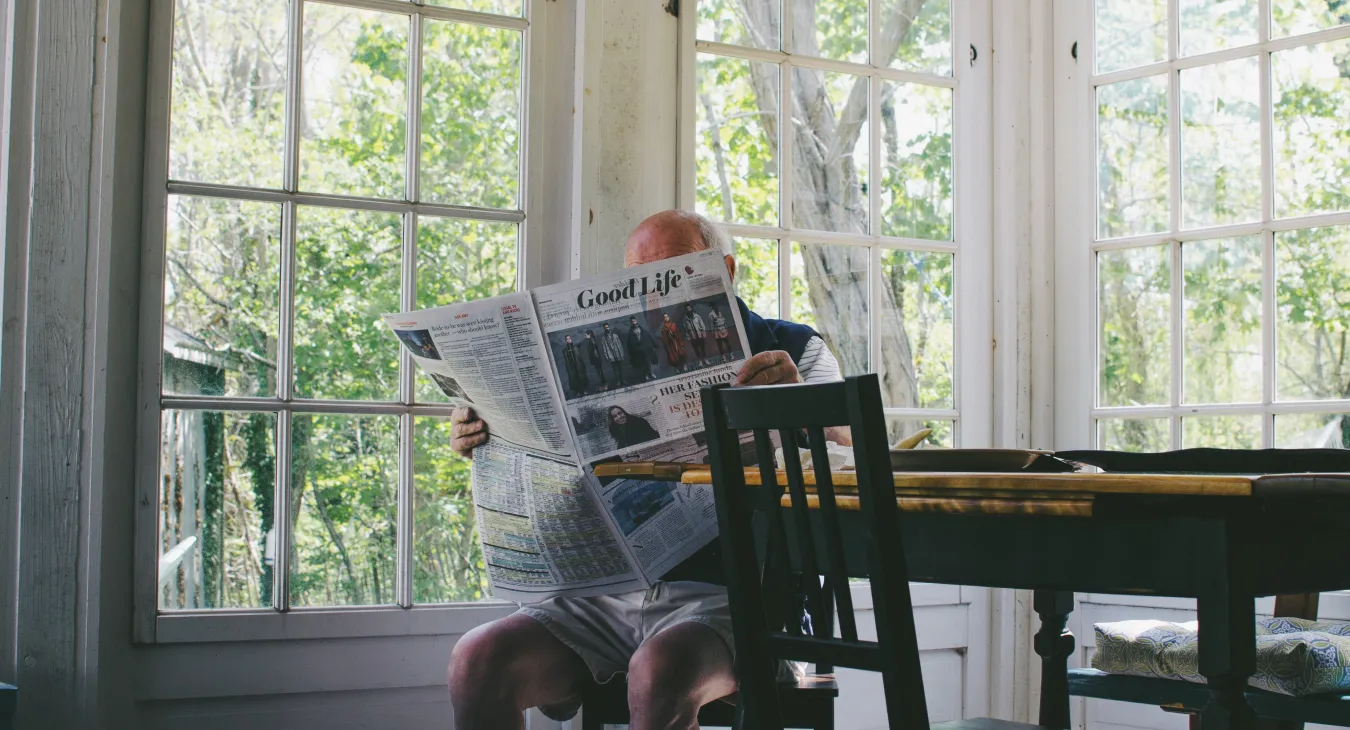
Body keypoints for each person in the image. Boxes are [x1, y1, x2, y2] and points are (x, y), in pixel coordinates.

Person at [446, 210, 848, 730]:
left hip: (733, 597)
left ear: (725, 270)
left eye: (672, 274)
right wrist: (484, 433)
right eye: (640, 280)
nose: (655, 294)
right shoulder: (607, 353)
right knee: (476, 660)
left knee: (660, 671)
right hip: (599, 596)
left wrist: (798, 403)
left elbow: (852, 452)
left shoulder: (793, 348)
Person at [627, 316, 658, 381]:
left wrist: (653, 345)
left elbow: (648, 337)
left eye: (634, 321)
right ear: (631, 323)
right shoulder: (630, 332)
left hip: (645, 349)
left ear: (636, 321)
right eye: (632, 322)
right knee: (642, 364)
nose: (634, 322)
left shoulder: (642, 329)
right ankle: (645, 375)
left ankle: (651, 373)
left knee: (649, 362)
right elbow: (630, 342)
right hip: (638, 351)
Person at [600, 323, 627, 387]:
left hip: (618, 354)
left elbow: (619, 345)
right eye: (605, 328)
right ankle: (618, 381)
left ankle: (622, 380)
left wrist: (621, 353)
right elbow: (604, 348)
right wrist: (607, 356)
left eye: (607, 327)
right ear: (604, 329)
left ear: (609, 327)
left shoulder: (615, 335)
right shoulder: (604, 338)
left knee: (620, 368)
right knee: (615, 369)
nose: (607, 328)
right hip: (611, 355)